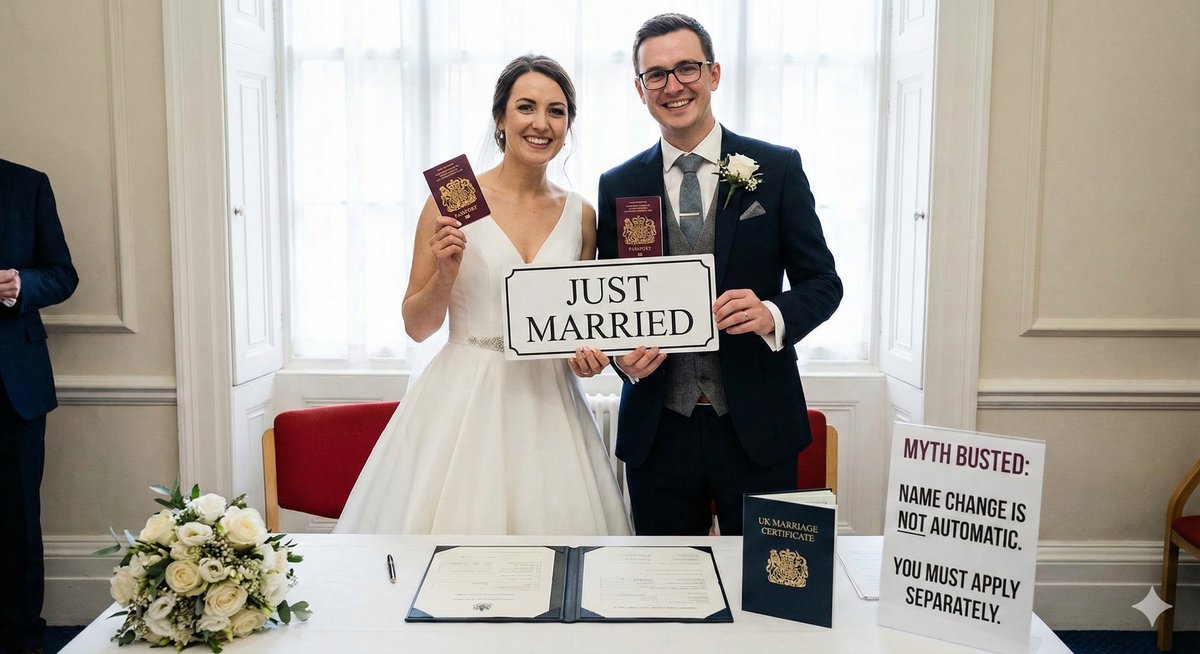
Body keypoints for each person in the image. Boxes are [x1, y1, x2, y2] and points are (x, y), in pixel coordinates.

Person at [334, 55, 630, 536]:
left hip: (549, 400)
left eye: (556, 111)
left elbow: (581, 319)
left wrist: (589, 356)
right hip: (464, 397)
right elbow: (417, 325)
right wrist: (446, 273)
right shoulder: (452, 199)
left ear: (568, 124)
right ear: (501, 119)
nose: (541, 123)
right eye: (526, 107)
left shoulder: (581, 215)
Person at [590, 14, 842, 536]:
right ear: (640, 90)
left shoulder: (776, 168)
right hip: (658, 432)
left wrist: (772, 312)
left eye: (687, 68)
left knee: (771, 595)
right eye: (655, 74)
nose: (673, 85)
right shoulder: (618, 184)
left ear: (714, 73)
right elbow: (612, 304)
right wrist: (621, 357)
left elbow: (824, 284)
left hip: (758, 425)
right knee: (665, 596)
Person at [0, 158, 79, 654]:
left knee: (16, 519)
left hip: (12, 386)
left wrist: (21, 286)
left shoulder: (26, 184)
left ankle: (21, 636)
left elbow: (63, 275)